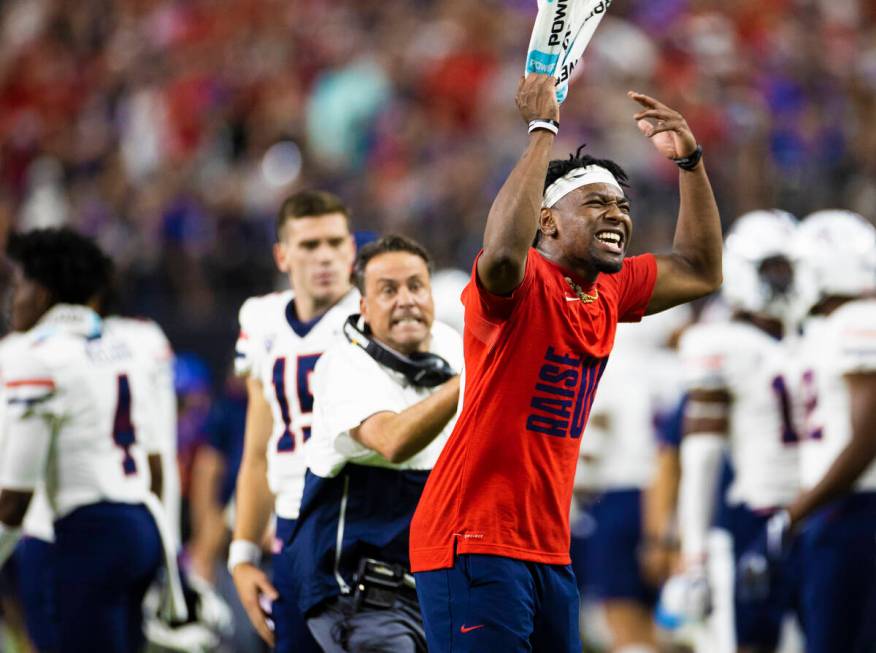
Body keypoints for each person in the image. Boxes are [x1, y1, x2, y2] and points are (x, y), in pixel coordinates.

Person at [409, 73, 723, 652]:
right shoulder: (521, 283)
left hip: (547, 546)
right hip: (472, 535)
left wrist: (691, 163)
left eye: (623, 205)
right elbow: (503, 251)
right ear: (547, 222)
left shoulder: (606, 289)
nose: (618, 215)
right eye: (597, 203)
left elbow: (701, 268)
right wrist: (542, 130)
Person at [0, 228, 184, 653]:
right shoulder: (131, 345)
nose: (13, 297)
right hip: (141, 524)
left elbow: (14, 502)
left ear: (43, 293)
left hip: (84, 532)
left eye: (19, 284)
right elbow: (156, 462)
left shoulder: (36, 355)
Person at [284, 234, 462, 652]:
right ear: (363, 307)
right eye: (388, 290)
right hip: (359, 594)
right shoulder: (343, 365)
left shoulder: (451, 349)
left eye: (416, 286)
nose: (406, 300)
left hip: (435, 589)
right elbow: (392, 440)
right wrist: (473, 378)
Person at [664, 210, 802, 653]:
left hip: (809, 513)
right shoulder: (720, 342)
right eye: (774, 269)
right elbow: (699, 458)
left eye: (791, 269)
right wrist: (694, 553)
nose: (786, 281)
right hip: (751, 518)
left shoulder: (810, 336)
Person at [228, 189, 358, 651]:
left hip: (363, 528)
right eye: (308, 245)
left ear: (352, 250)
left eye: (334, 242)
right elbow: (258, 453)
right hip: (289, 531)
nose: (324, 256)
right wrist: (242, 555)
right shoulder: (261, 319)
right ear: (282, 255)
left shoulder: (374, 318)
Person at [742, 210, 876, 653]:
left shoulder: (857, 321)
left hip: (852, 510)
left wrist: (793, 514)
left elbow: (866, 437)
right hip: (837, 508)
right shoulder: (824, 330)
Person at [571, 305, 689, 653]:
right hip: (675, 497)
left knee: (621, 616)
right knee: (674, 621)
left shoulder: (611, 365)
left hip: (620, 495)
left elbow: (593, 440)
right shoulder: (679, 369)